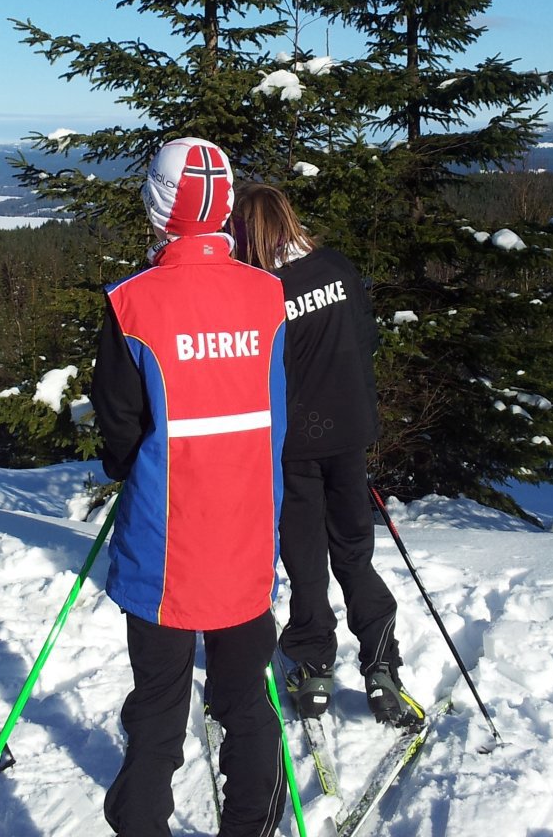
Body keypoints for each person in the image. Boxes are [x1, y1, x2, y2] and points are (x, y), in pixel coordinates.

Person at [93, 137, 290, 837]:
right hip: (244, 538)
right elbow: (276, 418)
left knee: (158, 705)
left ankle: (142, 822)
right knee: (245, 700)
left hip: (162, 548)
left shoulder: (132, 304)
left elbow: (119, 431)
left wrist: (126, 466)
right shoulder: (267, 295)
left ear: (157, 205)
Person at [231, 183, 413, 727]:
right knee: (354, 551)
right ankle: (381, 666)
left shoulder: (259, 290)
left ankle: (312, 667)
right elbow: (366, 339)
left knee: (305, 557)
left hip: (294, 445)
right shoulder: (337, 268)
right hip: (349, 433)